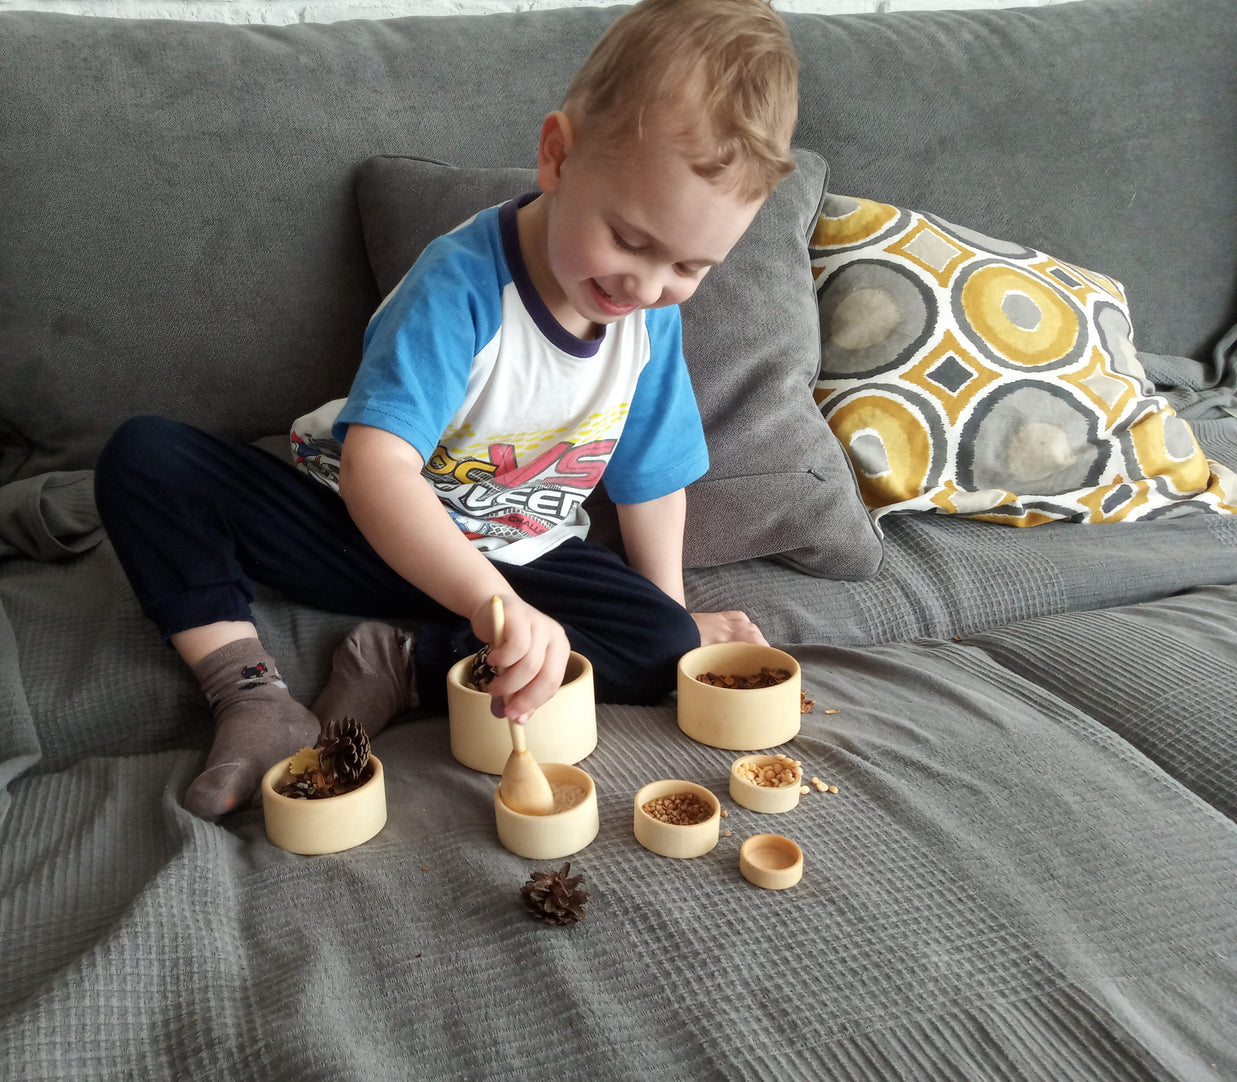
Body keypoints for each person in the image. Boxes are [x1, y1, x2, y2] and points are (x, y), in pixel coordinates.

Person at [94, 0, 799, 820]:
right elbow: (376, 469)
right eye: (629, 241)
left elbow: (650, 484)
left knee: (662, 647)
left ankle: (402, 662)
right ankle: (249, 694)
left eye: (688, 266)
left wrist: (667, 614)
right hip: (358, 521)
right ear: (556, 156)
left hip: (518, 554)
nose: (643, 288)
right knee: (145, 459)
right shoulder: (459, 285)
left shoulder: (649, 323)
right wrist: (487, 606)